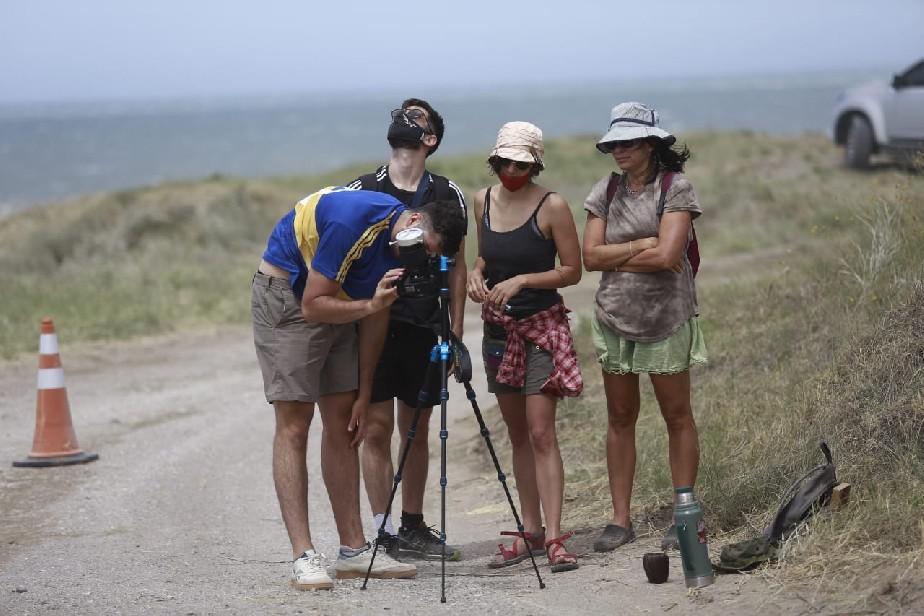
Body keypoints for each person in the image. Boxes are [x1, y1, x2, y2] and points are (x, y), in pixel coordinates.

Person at [252, 186, 466, 590]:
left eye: (432, 256)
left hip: (341, 300)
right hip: (289, 296)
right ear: (415, 222)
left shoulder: (405, 247)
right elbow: (314, 305)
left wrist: (365, 392)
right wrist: (369, 305)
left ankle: (353, 549)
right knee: (295, 424)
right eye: (427, 249)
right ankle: (303, 555)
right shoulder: (354, 222)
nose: (423, 259)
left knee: (345, 424)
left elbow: (377, 317)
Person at [581, 101, 708, 553]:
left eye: (627, 142)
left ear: (652, 144)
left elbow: (669, 257)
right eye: (614, 143)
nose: (618, 151)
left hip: (666, 316)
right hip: (614, 316)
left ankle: (686, 513)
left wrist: (624, 254)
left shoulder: (676, 188)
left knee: (677, 416)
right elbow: (589, 258)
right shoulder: (605, 191)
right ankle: (620, 519)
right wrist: (642, 243)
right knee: (619, 417)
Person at [346, 98, 468, 561]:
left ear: (430, 138)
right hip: (373, 325)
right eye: (400, 112)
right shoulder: (362, 187)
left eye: (416, 116)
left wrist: (455, 333)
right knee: (375, 428)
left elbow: (456, 266)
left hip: (425, 324)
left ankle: (414, 525)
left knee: (415, 427)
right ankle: (383, 530)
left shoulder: (446, 192)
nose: (404, 117)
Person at [466, 121, 583, 573]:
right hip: (499, 331)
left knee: (540, 432)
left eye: (522, 163)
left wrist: (522, 281)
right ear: (495, 161)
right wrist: (477, 274)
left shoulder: (552, 205)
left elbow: (571, 271)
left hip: (541, 330)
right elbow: (486, 255)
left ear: (534, 164)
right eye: (505, 162)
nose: (512, 170)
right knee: (517, 435)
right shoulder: (483, 200)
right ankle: (530, 530)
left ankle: (555, 537)